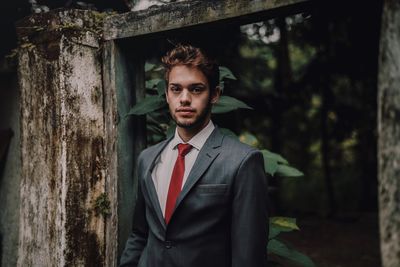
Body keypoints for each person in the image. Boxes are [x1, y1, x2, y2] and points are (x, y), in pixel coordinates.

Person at [119, 44, 269, 267]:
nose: (185, 98)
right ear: (167, 94)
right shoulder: (147, 159)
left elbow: (248, 256)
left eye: (196, 89)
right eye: (176, 89)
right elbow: (140, 235)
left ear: (215, 94)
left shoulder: (242, 161)